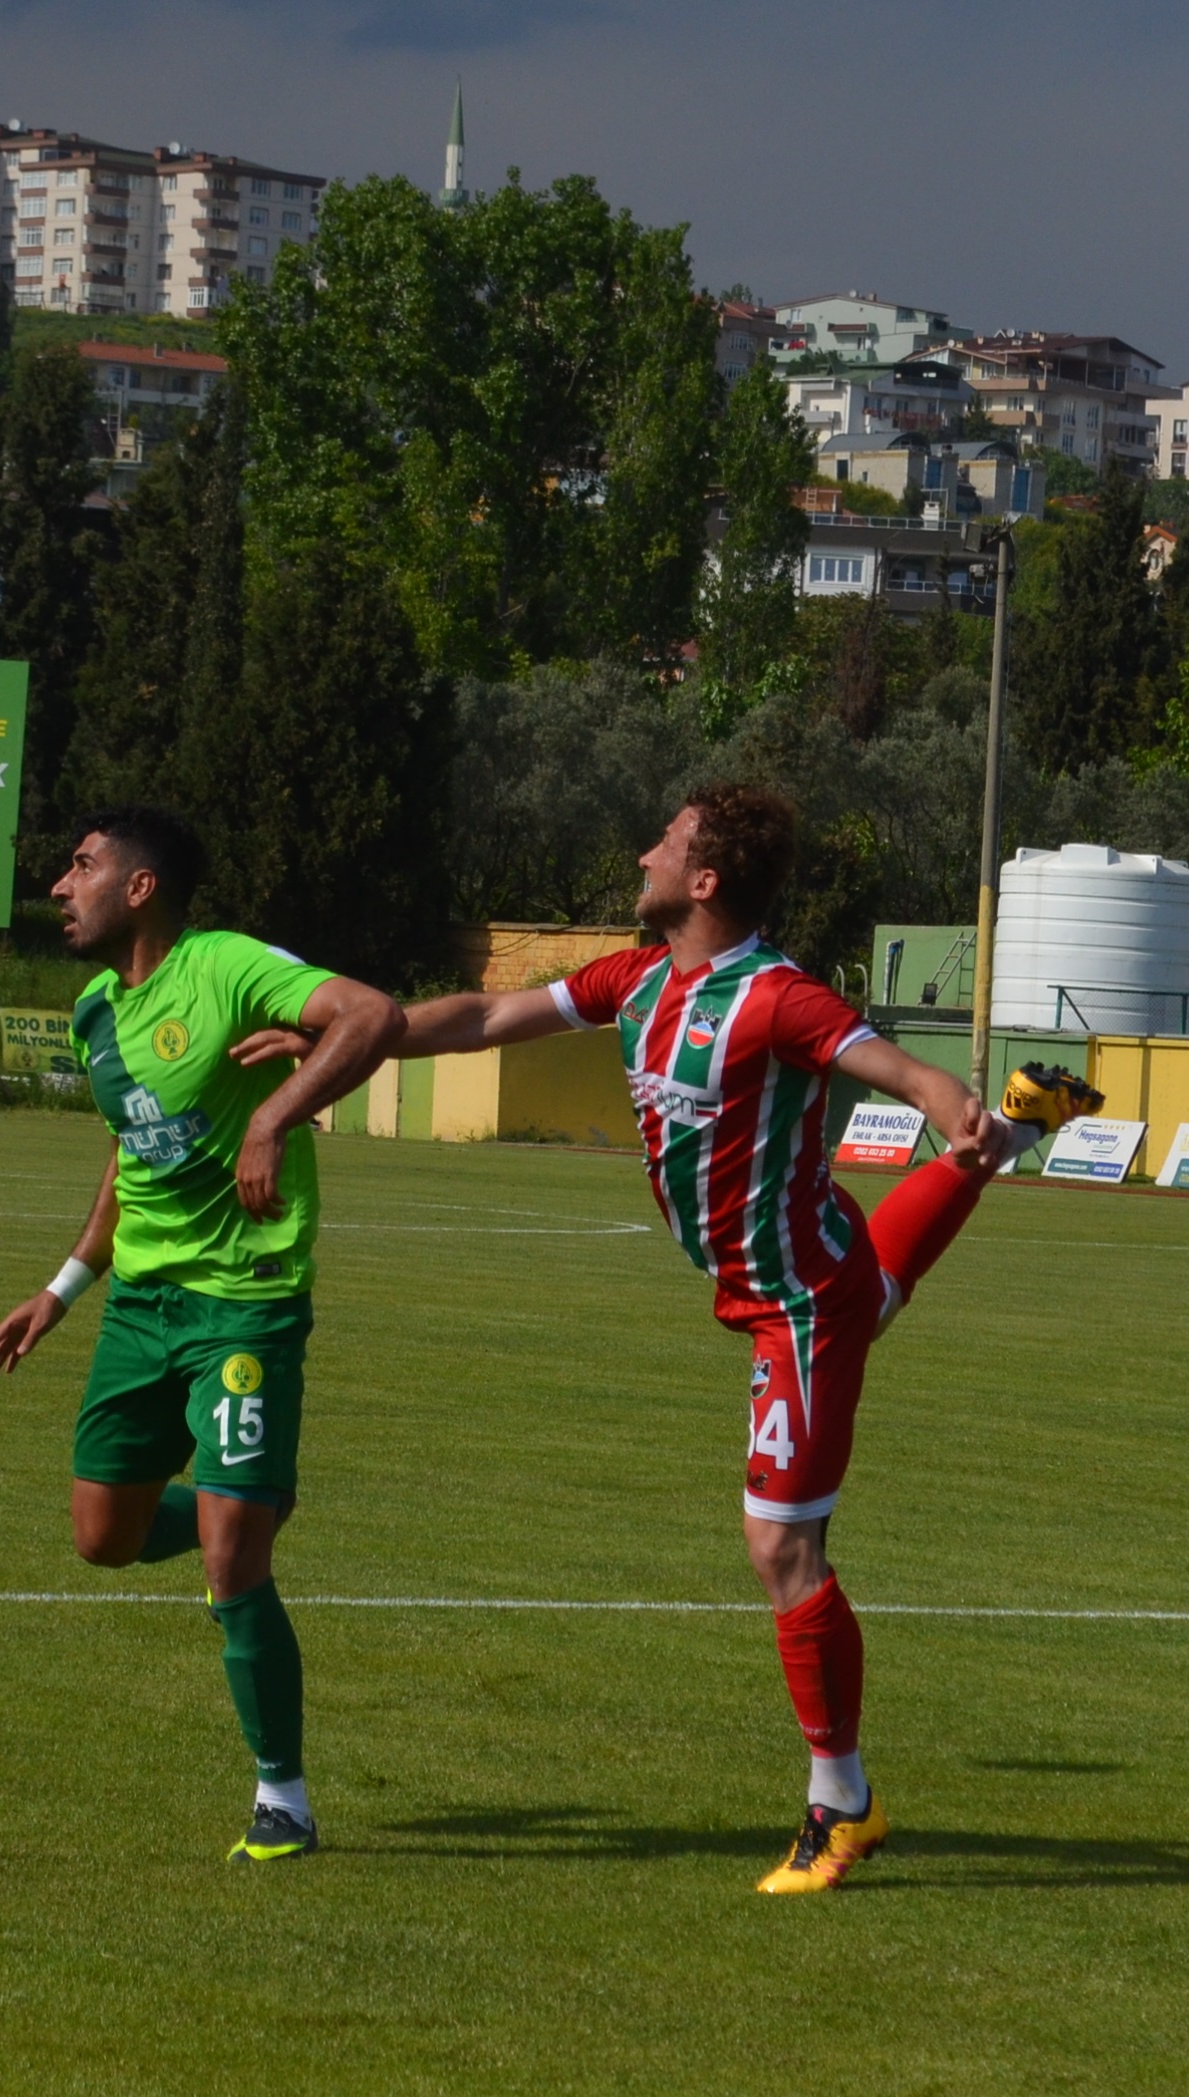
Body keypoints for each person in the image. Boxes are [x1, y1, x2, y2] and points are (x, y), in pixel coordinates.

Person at [237, 783, 1100, 1894]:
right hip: (805, 1263)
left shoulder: (775, 998)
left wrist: (945, 1095)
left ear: (703, 880)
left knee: (782, 1546)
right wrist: (343, 1038)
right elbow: (484, 1017)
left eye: (666, 840)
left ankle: (844, 1803)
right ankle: (1021, 1126)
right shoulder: (638, 979)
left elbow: (889, 1061)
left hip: (795, 1304)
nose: (642, 850)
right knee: (877, 1284)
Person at [0, 807, 403, 1864]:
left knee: (229, 1557)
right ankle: (244, 1499)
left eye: (81, 867)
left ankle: (283, 1798)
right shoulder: (94, 1014)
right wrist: (62, 1290)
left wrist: (275, 1113)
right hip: (139, 1309)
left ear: (141, 886)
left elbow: (372, 1015)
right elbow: (134, 1158)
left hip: (246, 1300)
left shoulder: (227, 965)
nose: (60, 885)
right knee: (101, 1538)